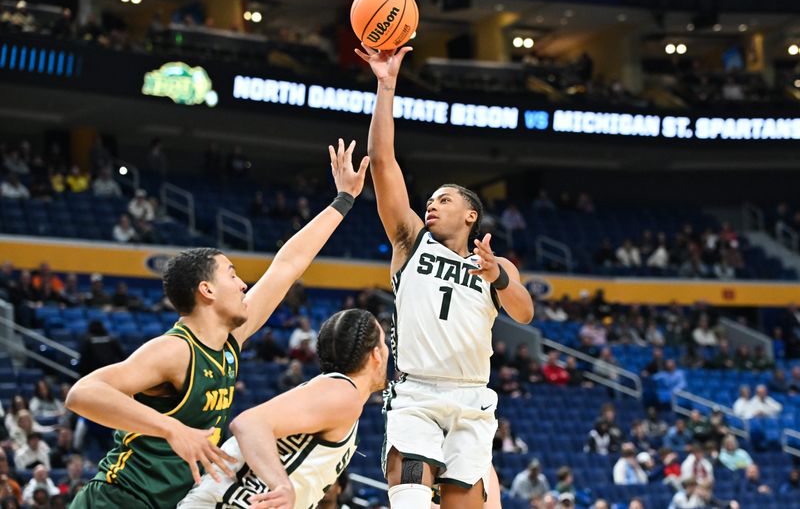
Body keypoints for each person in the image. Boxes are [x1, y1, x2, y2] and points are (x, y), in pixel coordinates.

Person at [67, 140, 370, 509]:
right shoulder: (175, 350)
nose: (244, 284)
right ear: (206, 289)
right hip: (119, 498)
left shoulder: (230, 340)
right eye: (233, 274)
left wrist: (343, 201)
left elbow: (286, 267)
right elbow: (82, 393)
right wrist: (171, 429)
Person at [356, 44, 534, 509]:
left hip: (472, 396)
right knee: (411, 494)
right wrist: (386, 84)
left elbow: (526, 312)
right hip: (415, 390)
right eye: (430, 199)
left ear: (471, 214)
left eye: (444, 200)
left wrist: (497, 277)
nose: (431, 204)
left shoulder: (496, 264)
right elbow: (382, 161)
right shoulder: (410, 242)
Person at [179, 309, 388, 509]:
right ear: (376, 354)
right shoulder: (343, 393)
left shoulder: (336, 396)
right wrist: (282, 485)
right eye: (384, 343)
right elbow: (248, 424)